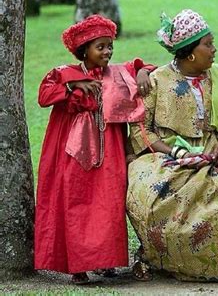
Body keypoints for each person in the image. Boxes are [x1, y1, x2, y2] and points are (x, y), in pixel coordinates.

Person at [126, 9, 218, 282]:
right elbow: (141, 131)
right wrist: (177, 152)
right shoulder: (157, 81)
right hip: (168, 155)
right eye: (208, 44)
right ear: (190, 53)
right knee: (152, 188)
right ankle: (160, 257)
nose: (214, 49)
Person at [35, 14, 155, 284]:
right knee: (76, 202)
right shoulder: (66, 72)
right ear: (84, 49)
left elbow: (144, 66)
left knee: (108, 202)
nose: (107, 51)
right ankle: (78, 265)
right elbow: (44, 95)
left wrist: (143, 71)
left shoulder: (117, 73)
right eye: (100, 47)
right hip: (72, 150)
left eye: (109, 45)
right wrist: (74, 85)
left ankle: (105, 260)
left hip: (109, 148)